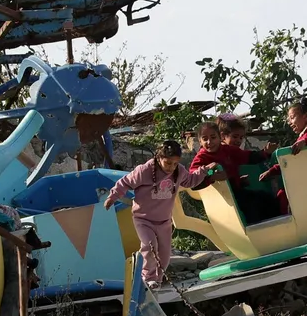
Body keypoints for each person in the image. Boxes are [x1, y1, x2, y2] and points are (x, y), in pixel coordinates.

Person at [103, 140, 210, 289]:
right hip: (143, 219)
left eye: (174, 163)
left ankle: (156, 281)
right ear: (159, 158)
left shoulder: (178, 171)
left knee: (165, 256)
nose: (171, 167)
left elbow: (191, 181)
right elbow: (125, 182)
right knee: (149, 245)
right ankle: (147, 277)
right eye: (168, 163)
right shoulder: (145, 171)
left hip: (164, 221)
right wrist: (112, 197)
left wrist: (204, 171)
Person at [189, 119, 278, 223]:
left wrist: (265, 152)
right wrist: (211, 174)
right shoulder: (202, 158)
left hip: (236, 192)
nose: (209, 142)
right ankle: (253, 232)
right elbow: (193, 181)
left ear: (219, 137)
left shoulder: (228, 150)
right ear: (200, 141)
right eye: (205, 139)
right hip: (220, 199)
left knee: (266, 199)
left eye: (213, 137)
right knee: (251, 205)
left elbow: (249, 157)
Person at [258, 98, 307, 214]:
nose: (289, 122)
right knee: (282, 195)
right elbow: (292, 161)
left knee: (284, 196)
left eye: (292, 118)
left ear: (306, 117)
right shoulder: (303, 136)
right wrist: (272, 171)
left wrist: (305, 141)